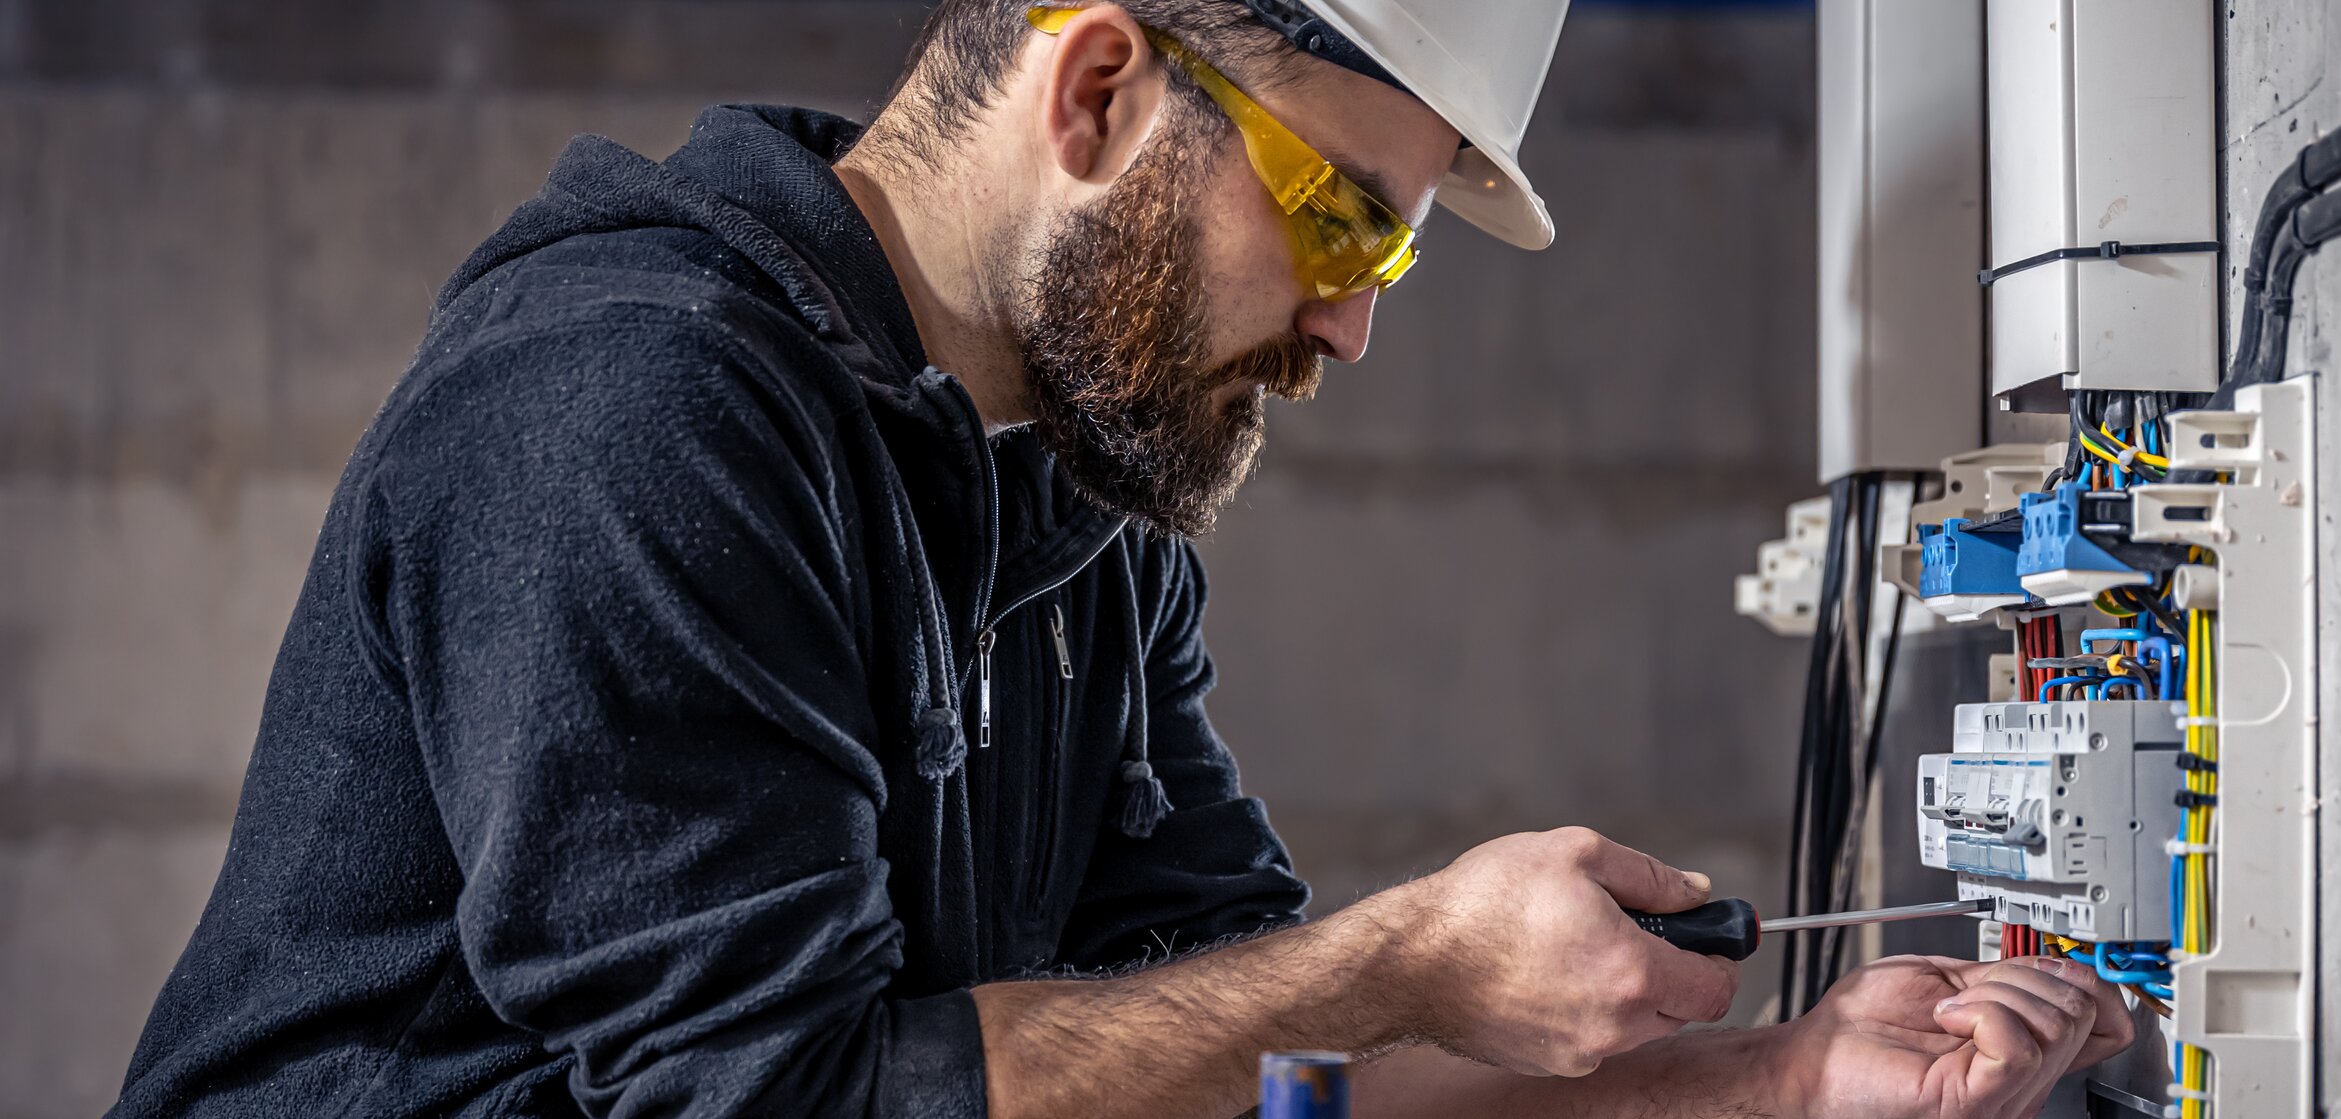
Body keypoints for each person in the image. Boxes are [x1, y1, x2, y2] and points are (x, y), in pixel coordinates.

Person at [112, 1, 2132, 1116]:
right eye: (1347, 223)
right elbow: (781, 1105)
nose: (1353, 328)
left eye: (1396, 253)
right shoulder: (634, 407)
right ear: (1096, 87)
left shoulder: (1072, 506)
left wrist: (1781, 1085)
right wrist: (1419, 945)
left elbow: (1263, 1075)